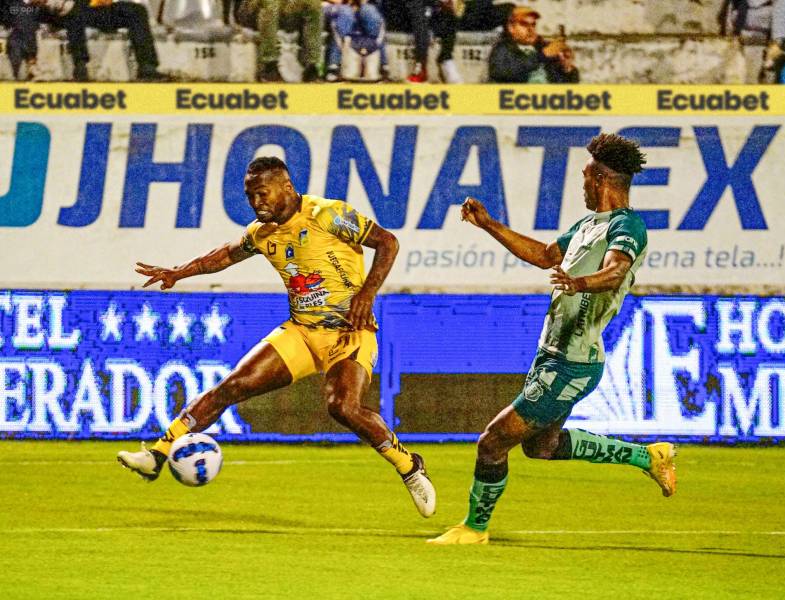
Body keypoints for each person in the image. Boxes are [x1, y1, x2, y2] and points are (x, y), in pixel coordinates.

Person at [117, 156, 436, 519]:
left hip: (349, 332)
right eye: (250, 196)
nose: (256, 203)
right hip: (302, 332)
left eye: (262, 193)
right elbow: (222, 256)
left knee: (342, 406)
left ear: (286, 187)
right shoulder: (261, 232)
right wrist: (178, 273)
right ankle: (157, 455)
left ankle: (409, 466)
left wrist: (366, 294)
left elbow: (388, 242)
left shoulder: (327, 214)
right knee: (232, 386)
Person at [427, 134, 676, 545]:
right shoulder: (587, 226)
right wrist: (489, 225)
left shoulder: (627, 225)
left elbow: (615, 271)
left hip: (572, 363)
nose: (581, 183)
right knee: (543, 446)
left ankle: (474, 528)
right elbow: (545, 255)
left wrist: (579, 282)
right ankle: (648, 456)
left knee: (492, 442)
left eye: (584, 175)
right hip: (551, 357)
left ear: (599, 178)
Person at [4, 0, 165, 81]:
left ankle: (147, 66)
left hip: (87, 8)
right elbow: (19, 7)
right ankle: (80, 65)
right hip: (37, 8)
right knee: (73, 12)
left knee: (136, 11)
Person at [488, 6, 578, 84]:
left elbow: (567, 87)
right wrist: (542, 55)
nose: (530, 29)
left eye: (533, 25)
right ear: (511, 28)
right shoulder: (502, 49)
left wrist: (567, 68)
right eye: (524, 24)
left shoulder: (543, 47)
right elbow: (502, 73)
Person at [237, 0, 323, 81]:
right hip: (253, 9)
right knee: (271, 3)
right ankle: (269, 65)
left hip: (285, 9)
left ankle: (311, 65)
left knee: (313, 4)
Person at [381, 0, 463, 83]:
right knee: (417, 6)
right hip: (404, 13)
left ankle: (446, 59)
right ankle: (421, 66)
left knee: (449, 13)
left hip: (429, 12)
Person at [323, 0, 388, 82]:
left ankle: (382, 66)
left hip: (359, 6)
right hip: (331, 6)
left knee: (370, 12)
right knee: (345, 12)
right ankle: (334, 67)